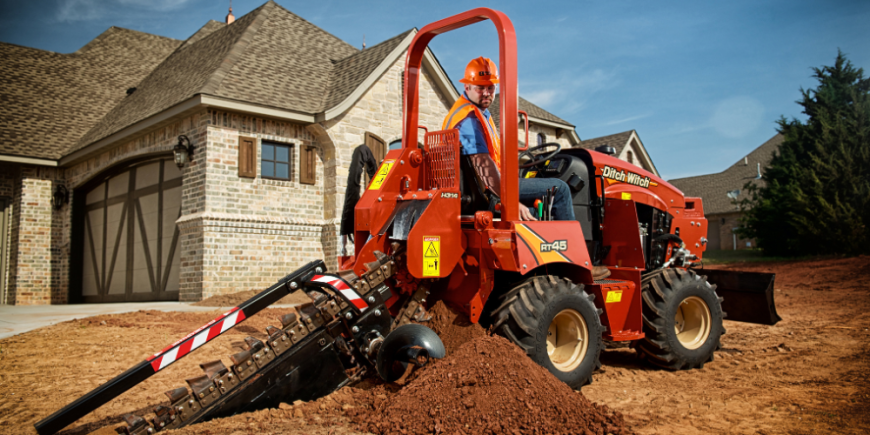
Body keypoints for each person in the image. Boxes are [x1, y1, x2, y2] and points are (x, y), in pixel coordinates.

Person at [442, 57, 574, 222]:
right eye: (480, 88)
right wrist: (510, 203)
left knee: (539, 207)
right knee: (560, 189)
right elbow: (483, 165)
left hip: (484, 188)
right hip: (487, 191)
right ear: (467, 86)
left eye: (490, 88)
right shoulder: (469, 119)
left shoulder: (477, 113)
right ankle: (574, 245)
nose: (486, 93)